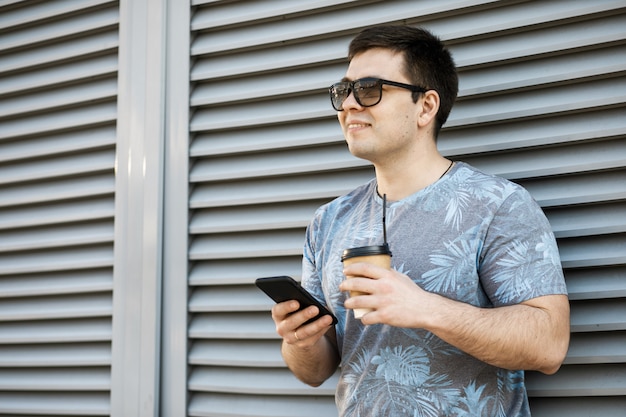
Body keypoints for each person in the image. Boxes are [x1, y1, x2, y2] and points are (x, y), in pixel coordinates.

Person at [271, 25, 570, 416]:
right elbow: (317, 371)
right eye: (344, 91)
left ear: (426, 107)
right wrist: (302, 342)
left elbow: (549, 346)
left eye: (369, 89)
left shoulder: (498, 205)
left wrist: (425, 308)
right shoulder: (328, 221)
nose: (349, 106)